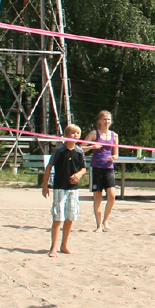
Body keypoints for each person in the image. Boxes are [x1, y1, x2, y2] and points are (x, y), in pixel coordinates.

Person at [41, 124, 86, 257]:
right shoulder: (59, 150)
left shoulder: (79, 151)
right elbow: (49, 167)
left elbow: (83, 168)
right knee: (58, 218)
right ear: (66, 136)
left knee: (70, 218)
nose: (75, 136)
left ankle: (64, 245)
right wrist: (45, 186)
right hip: (60, 187)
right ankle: (53, 248)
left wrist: (78, 175)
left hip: (73, 189)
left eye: (77, 133)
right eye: (72, 133)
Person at [83, 110, 119, 232]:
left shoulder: (114, 135)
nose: (106, 122)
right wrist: (92, 146)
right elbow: (82, 148)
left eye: (108, 119)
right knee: (97, 196)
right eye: (104, 119)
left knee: (112, 195)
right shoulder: (94, 134)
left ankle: (105, 221)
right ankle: (98, 225)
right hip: (96, 167)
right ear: (99, 121)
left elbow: (116, 153)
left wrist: (113, 157)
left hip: (108, 168)